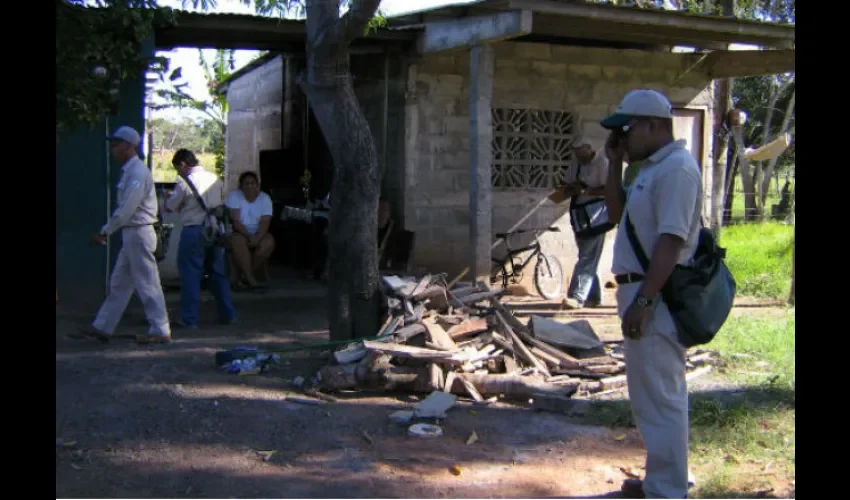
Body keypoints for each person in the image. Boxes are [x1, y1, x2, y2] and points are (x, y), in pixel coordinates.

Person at [601, 89, 703, 499]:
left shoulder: (677, 170)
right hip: (639, 291)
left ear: (654, 125)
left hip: (654, 296)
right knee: (649, 397)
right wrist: (613, 165)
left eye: (628, 129)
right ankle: (659, 480)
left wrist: (644, 301)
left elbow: (670, 242)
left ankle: (668, 491)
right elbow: (613, 216)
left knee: (662, 398)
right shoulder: (649, 169)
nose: (623, 138)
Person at [70, 126, 172, 345]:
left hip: (138, 232)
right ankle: (103, 326)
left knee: (147, 283)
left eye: (117, 145)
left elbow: (127, 209)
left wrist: (105, 231)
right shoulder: (131, 171)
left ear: (129, 146)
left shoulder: (137, 173)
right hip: (132, 234)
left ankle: (160, 329)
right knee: (119, 284)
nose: (113, 149)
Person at [165, 149, 237, 329]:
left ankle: (189, 319)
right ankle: (228, 314)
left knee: (190, 275)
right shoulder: (215, 179)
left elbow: (171, 206)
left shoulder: (184, 182)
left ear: (183, 164)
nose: (178, 173)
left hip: (194, 231)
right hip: (215, 230)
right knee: (218, 274)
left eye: (177, 168)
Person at [560, 135, 610, 310]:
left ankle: (577, 296)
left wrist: (588, 191)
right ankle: (594, 297)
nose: (578, 155)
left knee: (587, 256)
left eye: (580, 151)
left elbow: (609, 189)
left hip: (597, 216)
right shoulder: (577, 163)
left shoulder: (602, 163)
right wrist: (565, 190)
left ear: (588, 148)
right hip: (579, 215)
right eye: (575, 152)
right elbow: (567, 182)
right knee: (587, 256)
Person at [226, 172, 276, 291]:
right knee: (238, 242)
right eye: (246, 183)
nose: (250, 186)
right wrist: (249, 236)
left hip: (258, 231)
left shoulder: (265, 198)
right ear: (241, 186)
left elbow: (265, 222)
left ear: (257, 185)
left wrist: (257, 237)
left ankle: (244, 276)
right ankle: (251, 280)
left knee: (268, 243)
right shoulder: (234, 196)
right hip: (240, 231)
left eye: (252, 183)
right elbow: (236, 222)